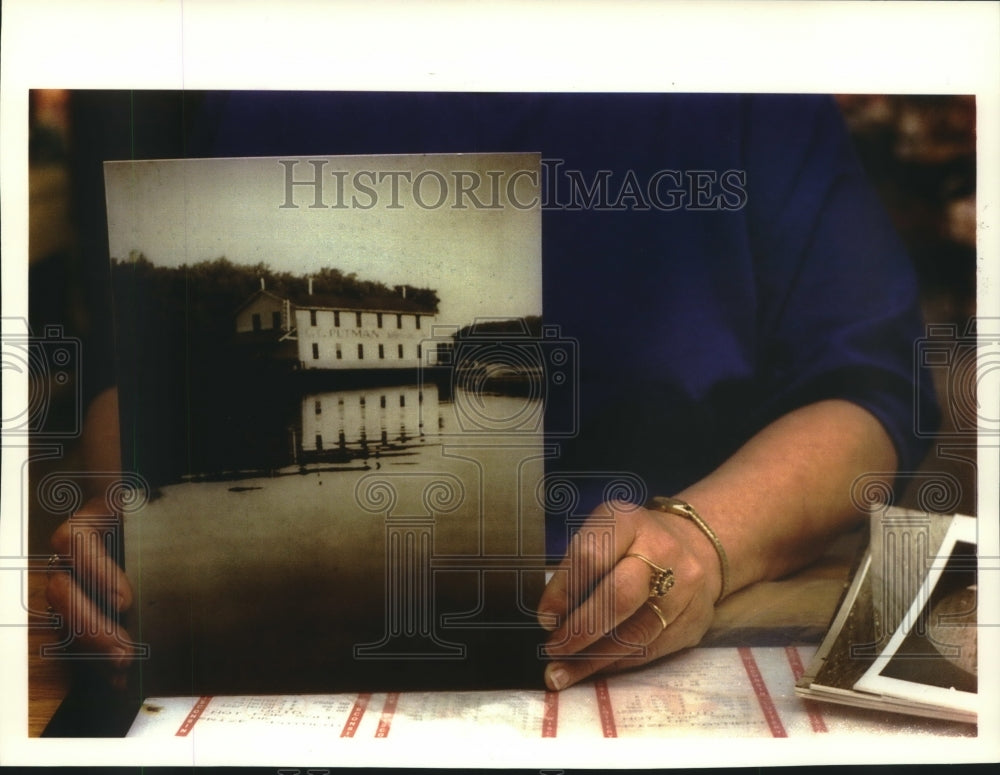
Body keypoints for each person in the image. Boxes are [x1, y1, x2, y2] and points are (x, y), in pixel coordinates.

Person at [46, 91, 938, 694]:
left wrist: (705, 538)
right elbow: (148, 372)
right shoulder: (276, 59)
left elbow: (867, 390)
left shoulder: (740, 80)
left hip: (684, 625)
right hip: (301, 626)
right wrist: (135, 507)